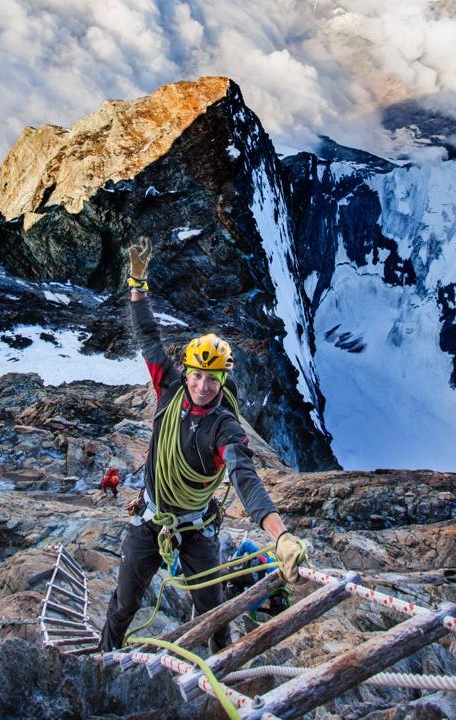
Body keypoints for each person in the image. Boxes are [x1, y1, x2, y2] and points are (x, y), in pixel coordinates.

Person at [98, 237, 306, 652]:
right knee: (124, 602)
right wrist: (137, 281)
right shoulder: (170, 388)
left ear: (223, 381)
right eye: (196, 374)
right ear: (188, 370)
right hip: (152, 517)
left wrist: (280, 536)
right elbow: (148, 336)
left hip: (195, 529)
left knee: (212, 611)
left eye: (212, 378)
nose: (202, 385)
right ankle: (104, 658)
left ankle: (221, 669)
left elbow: (245, 479)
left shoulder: (224, 427)